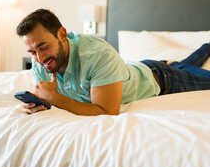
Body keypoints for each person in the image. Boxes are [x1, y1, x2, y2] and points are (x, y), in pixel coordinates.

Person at [15, 8, 210, 116]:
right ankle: (176, 61)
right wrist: (33, 104)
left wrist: (56, 99)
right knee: (182, 64)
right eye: (32, 51)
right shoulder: (40, 61)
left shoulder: (98, 54)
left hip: (162, 78)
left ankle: (201, 49)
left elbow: (107, 110)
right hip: (137, 67)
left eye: (42, 47)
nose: (39, 59)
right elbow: (46, 96)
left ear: (62, 34)